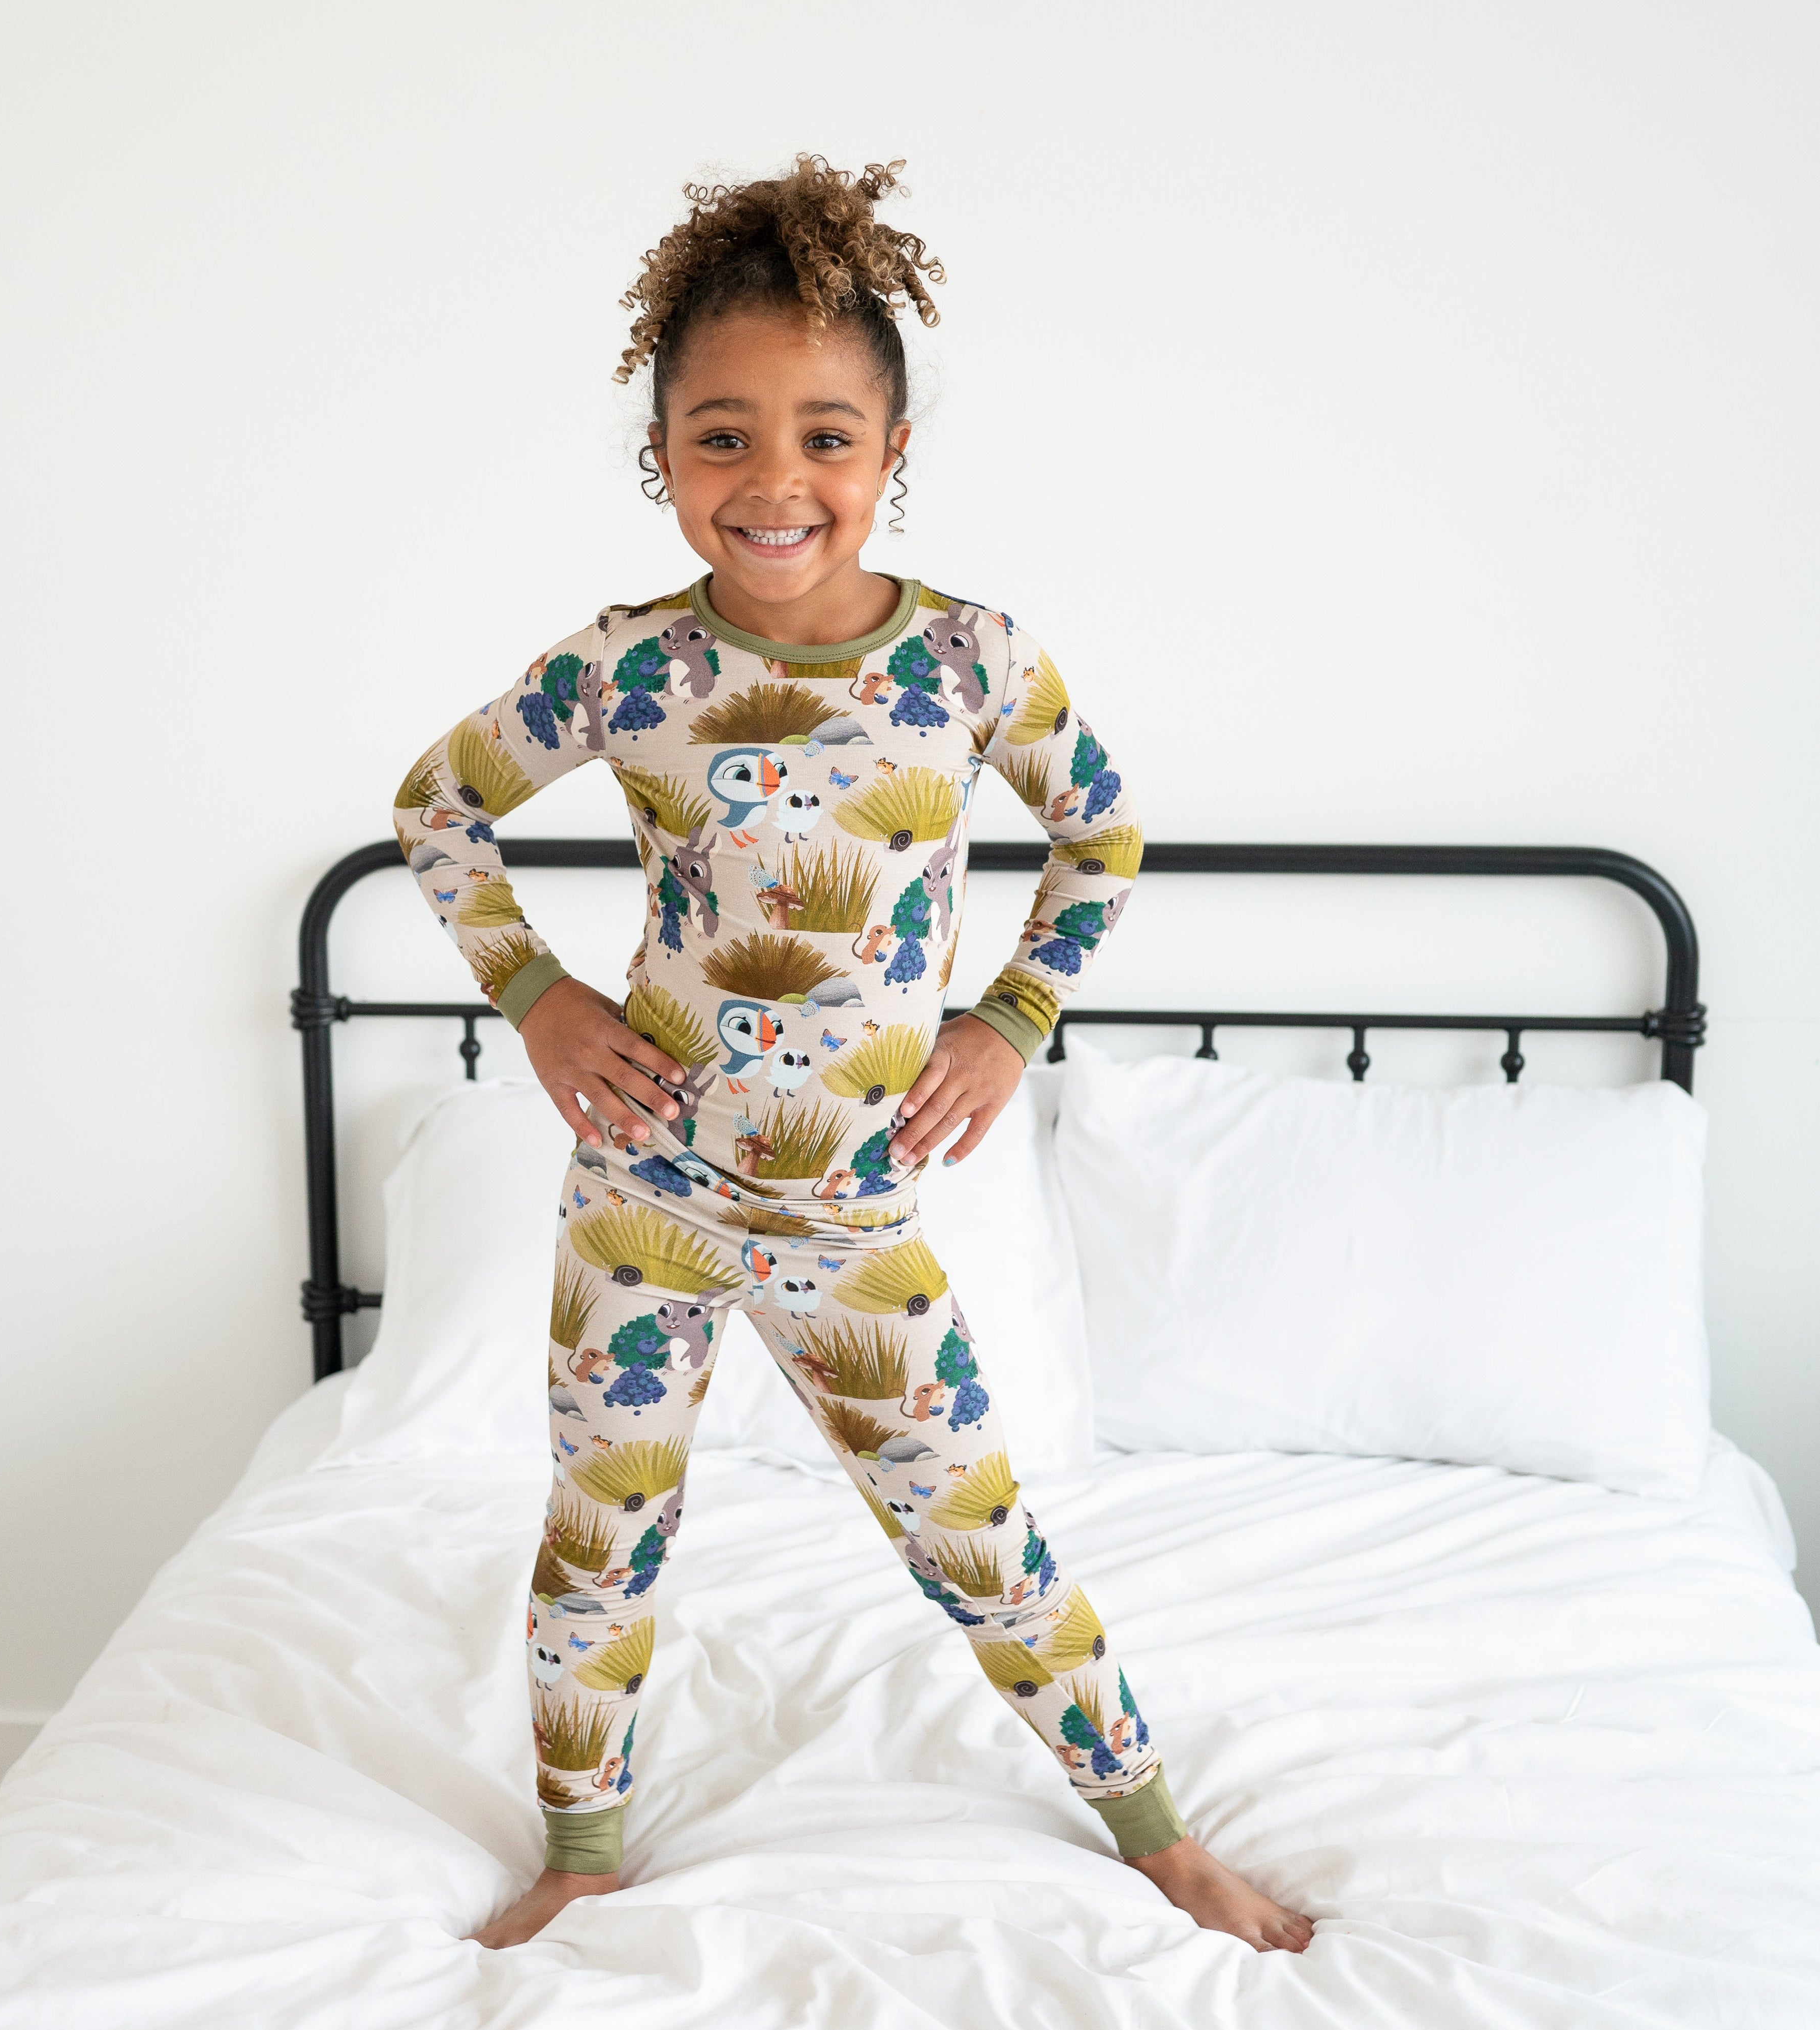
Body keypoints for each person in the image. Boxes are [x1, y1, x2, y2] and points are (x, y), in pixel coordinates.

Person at [395, 155, 1313, 1956]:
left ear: (891, 451)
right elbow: (439, 806)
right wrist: (541, 999)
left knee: (973, 1532)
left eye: (825, 435)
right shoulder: (627, 666)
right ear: (661, 457)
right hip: (643, 1196)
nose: (774, 481)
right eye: (721, 437)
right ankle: (582, 1847)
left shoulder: (970, 660)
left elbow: (1101, 834)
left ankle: (1152, 1832)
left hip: (848, 1217)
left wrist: (1007, 1018)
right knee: (601, 1535)